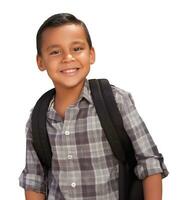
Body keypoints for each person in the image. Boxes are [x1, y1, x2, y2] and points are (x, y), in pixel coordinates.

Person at [19, 13, 168, 200]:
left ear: (91, 55)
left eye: (77, 48)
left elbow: (149, 162)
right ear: (40, 62)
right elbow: (35, 179)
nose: (68, 57)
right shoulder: (38, 118)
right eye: (55, 51)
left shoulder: (116, 101)